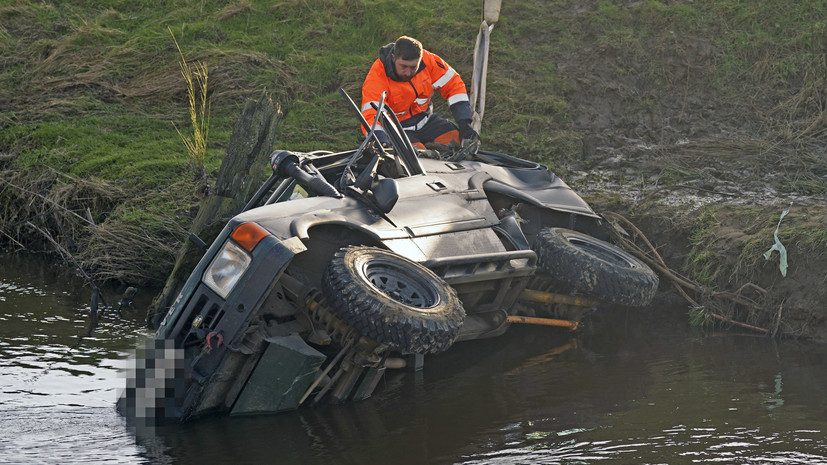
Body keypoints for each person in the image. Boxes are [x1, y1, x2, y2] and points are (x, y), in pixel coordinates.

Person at [360, 36, 479, 150]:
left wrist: (465, 123)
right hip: (398, 130)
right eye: (403, 66)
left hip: (427, 122)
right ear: (393, 58)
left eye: (413, 67)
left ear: (420, 59)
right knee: (419, 160)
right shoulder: (377, 75)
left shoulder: (430, 61)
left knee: (460, 146)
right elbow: (371, 115)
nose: (408, 72)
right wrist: (380, 139)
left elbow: (454, 86)